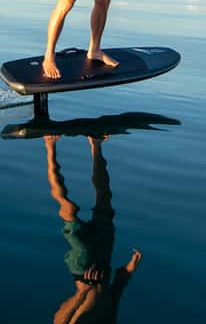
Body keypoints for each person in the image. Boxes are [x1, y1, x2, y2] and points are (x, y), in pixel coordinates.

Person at [46, 134, 142, 323]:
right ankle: (95, 144)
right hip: (104, 261)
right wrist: (129, 270)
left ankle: (50, 146)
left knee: (69, 210)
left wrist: (85, 291)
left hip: (83, 267)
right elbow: (116, 294)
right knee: (105, 201)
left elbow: (58, 320)